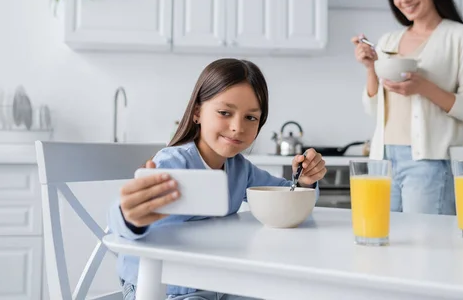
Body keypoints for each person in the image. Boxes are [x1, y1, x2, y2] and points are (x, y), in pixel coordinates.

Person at [108, 58, 327, 300]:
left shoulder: (241, 169)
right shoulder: (172, 163)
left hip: (217, 285)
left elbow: (287, 196)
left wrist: (305, 181)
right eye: (225, 113)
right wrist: (129, 217)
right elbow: (121, 222)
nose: (237, 127)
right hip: (163, 289)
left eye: (251, 118)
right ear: (197, 113)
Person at [351, 0, 463, 215]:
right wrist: (371, 68)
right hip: (382, 160)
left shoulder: (462, 37)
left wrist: (424, 88)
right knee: (382, 243)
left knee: (426, 247)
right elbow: (375, 110)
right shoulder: (389, 41)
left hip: (428, 162)